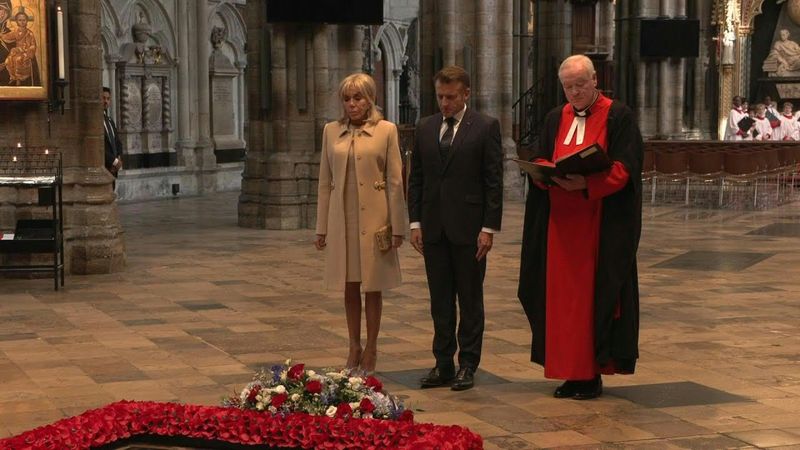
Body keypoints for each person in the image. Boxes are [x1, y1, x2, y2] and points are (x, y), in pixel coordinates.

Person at [517, 55, 643, 400]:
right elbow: (541, 155)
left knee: (590, 301)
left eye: (579, 86)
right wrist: (547, 175)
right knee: (561, 302)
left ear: (594, 81)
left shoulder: (619, 115)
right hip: (559, 227)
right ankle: (568, 372)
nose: (573, 93)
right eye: (567, 87)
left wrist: (587, 186)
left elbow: (625, 168)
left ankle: (590, 374)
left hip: (597, 227)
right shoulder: (556, 117)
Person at [407, 65, 503, 391]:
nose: (444, 103)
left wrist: (489, 228)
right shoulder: (425, 127)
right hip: (433, 228)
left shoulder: (485, 127)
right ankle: (443, 363)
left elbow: (493, 181)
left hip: (470, 229)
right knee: (440, 300)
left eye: (451, 97)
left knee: (470, 300)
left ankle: (468, 364)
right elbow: (417, 178)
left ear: (466, 94)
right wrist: (415, 222)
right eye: (440, 97)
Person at [314, 73, 406, 374]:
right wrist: (321, 227)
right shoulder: (331, 131)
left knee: (373, 285)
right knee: (349, 284)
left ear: (371, 98)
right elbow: (324, 182)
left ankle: (372, 347)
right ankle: (353, 345)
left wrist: (398, 227)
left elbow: (395, 181)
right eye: (347, 98)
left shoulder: (386, 130)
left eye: (358, 97)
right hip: (343, 218)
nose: (352, 104)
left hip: (376, 217)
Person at [0, 6, 40, 86]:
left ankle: (19, 79)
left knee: (18, 60)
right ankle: (12, 77)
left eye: (24, 20)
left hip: (25, 52)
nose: (22, 22)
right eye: (20, 20)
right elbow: (8, 36)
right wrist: (1, 35)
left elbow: (33, 45)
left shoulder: (29, 33)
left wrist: (28, 51)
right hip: (17, 51)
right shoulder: (16, 31)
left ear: (27, 21)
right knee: (9, 59)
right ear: (17, 21)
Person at [102, 87, 123, 186]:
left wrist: (118, 159)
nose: (106, 101)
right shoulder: (97, 121)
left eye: (108, 99)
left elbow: (117, 142)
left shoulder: (109, 120)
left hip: (113, 168)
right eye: (103, 98)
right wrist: (114, 161)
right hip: (105, 167)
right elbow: (99, 146)